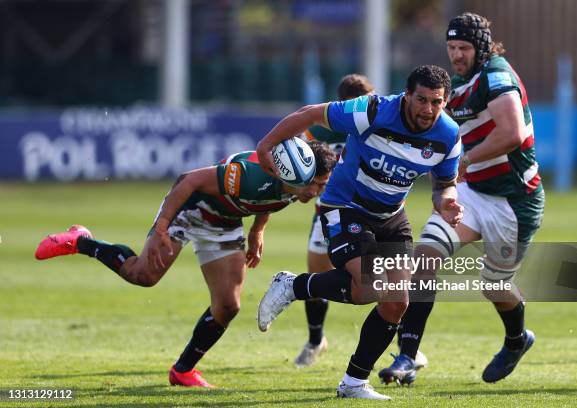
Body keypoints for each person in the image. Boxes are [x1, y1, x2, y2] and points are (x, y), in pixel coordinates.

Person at [34, 141, 336, 388]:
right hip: (189, 209)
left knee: (228, 306)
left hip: (226, 222)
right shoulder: (248, 175)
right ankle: (81, 241)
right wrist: (162, 228)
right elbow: (189, 180)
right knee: (143, 275)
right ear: (297, 176)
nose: (317, 193)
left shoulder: (295, 185)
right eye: (316, 186)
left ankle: (182, 371)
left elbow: (272, 200)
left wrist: (258, 230)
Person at [256, 65, 463, 400]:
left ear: (445, 101)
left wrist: (447, 202)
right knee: (372, 284)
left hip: (392, 216)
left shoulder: (448, 135)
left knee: (397, 302)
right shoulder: (372, 110)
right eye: (421, 99)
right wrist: (267, 145)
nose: (427, 109)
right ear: (407, 94)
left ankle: (353, 382)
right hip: (345, 206)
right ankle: (293, 286)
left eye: (436, 102)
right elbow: (310, 114)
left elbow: (445, 184)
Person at [379, 12, 545, 386]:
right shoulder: (456, 82)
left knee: (493, 285)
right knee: (425, 257)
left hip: (514, 201)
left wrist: (465, 160)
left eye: (464, 47)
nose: (456, 54)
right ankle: (407, 355)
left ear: (481, 47)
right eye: (451, 47)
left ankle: (517, 340)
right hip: (472, 194)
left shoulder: (496, 76)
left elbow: (513, 133)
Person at [294, 73, 374, 368]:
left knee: (381, 279)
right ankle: (316, 340)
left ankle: (406, 347)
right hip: (326, 212)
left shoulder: (377, 126)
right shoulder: (319, 128)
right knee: (316, 276)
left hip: (368, 214)